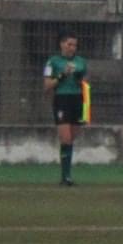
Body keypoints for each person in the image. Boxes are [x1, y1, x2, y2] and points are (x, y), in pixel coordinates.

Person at [43, 33, 86, 186]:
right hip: (62, 99)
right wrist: (62, 75)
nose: (72, 48)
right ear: (61, 44)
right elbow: (47, 86)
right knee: (65, 138)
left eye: (74, 45)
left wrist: (79, 77)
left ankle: (67, 174)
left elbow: (85, 83)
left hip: (77, 100)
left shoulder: (81, 61)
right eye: (69, 44)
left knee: (71, 139)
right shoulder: (52, 62)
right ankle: (65, 177)